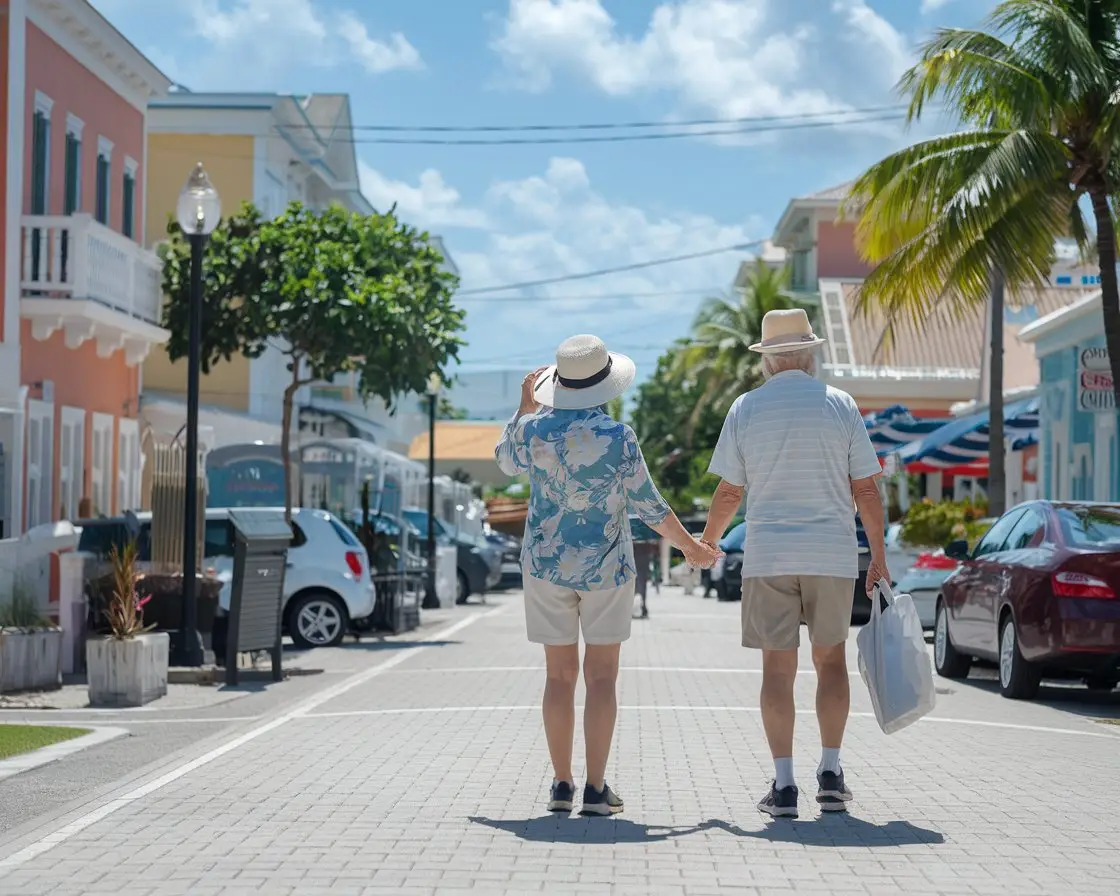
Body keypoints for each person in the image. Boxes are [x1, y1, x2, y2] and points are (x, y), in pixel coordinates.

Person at [496, 334, 721, 817]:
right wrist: (693, 549)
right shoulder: (620, 439)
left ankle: (560, 784)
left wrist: (521, 407)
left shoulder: (534, 431)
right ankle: (596, 790)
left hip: (544, 565)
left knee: (558, 677)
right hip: (607, 567)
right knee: (601, 678)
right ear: (604, 386)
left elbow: (504, 461)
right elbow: (650, 508)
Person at [700, 308, 887, 819]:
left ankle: (784, 787)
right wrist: (880, 557)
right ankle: (830, 772)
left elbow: (730, 491)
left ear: (766, 360)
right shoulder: (840, 405)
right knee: (831, 662)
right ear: (809, 352)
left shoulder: (746, 408)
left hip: (769, 558)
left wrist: (707, 543)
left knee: (777, 670)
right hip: (831, 554)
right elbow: (865, 488)